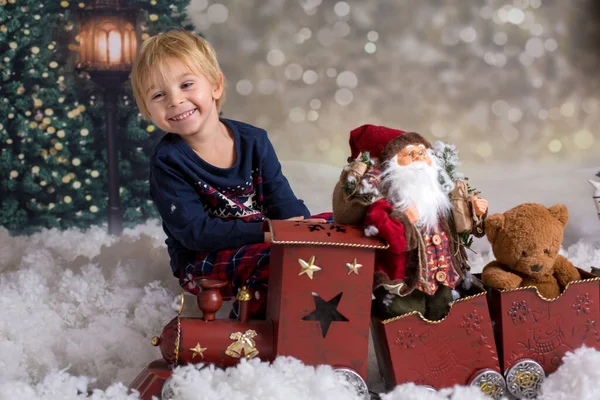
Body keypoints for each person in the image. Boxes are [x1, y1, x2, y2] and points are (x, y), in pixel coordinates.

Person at [130, 29, 326, 318]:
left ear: (216, 85)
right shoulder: (167, 162)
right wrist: (268, 232)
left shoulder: (254, 140)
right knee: (275, 258)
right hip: (203, 258)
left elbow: (280, 196)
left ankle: (335, 310)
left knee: (334, 229)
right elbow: (196, 232)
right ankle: (246, 338)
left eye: (186, 84)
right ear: (147, 109)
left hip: (265, 238)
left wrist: (300, 226)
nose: (175, 100)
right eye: (159, 95)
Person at [332, 125, 488, 320]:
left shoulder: (439, 194)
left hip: (447, 277)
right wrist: (405, 219)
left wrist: (476, 211)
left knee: (447, 312)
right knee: (407, 316)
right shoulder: (386, 202)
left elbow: (460, 226)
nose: (418, 159)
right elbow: (391, 237)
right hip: (407, 281)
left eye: (422, 152)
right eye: (410, 154)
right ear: (392, 165)